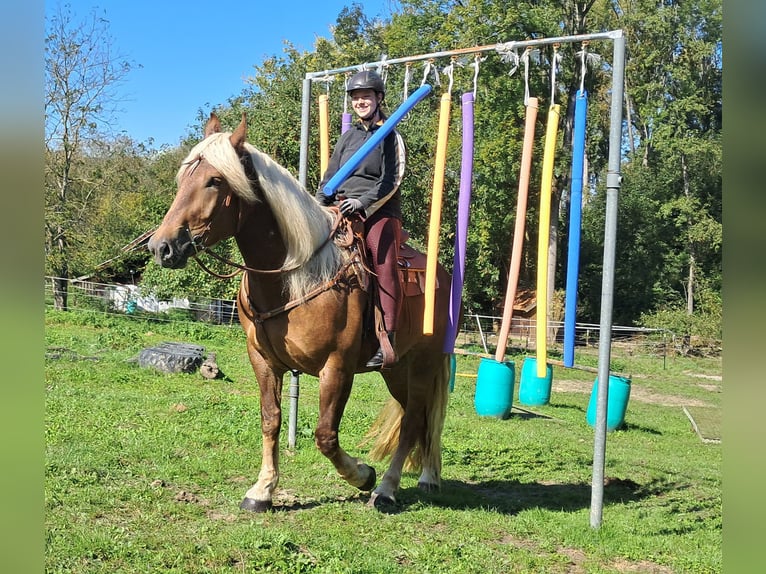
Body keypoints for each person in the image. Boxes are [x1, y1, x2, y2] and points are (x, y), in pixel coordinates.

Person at [316, 70, 405, 369]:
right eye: (356, 98)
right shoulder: (348, 137)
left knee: (381, 256)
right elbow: (329, 176)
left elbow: (392, 180)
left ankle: (388, 339)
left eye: (366, 96)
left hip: (378, 210)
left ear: (379, 98)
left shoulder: (391, 135)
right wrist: (318, 206)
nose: (360, 102)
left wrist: (364, 203)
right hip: (339, 207)